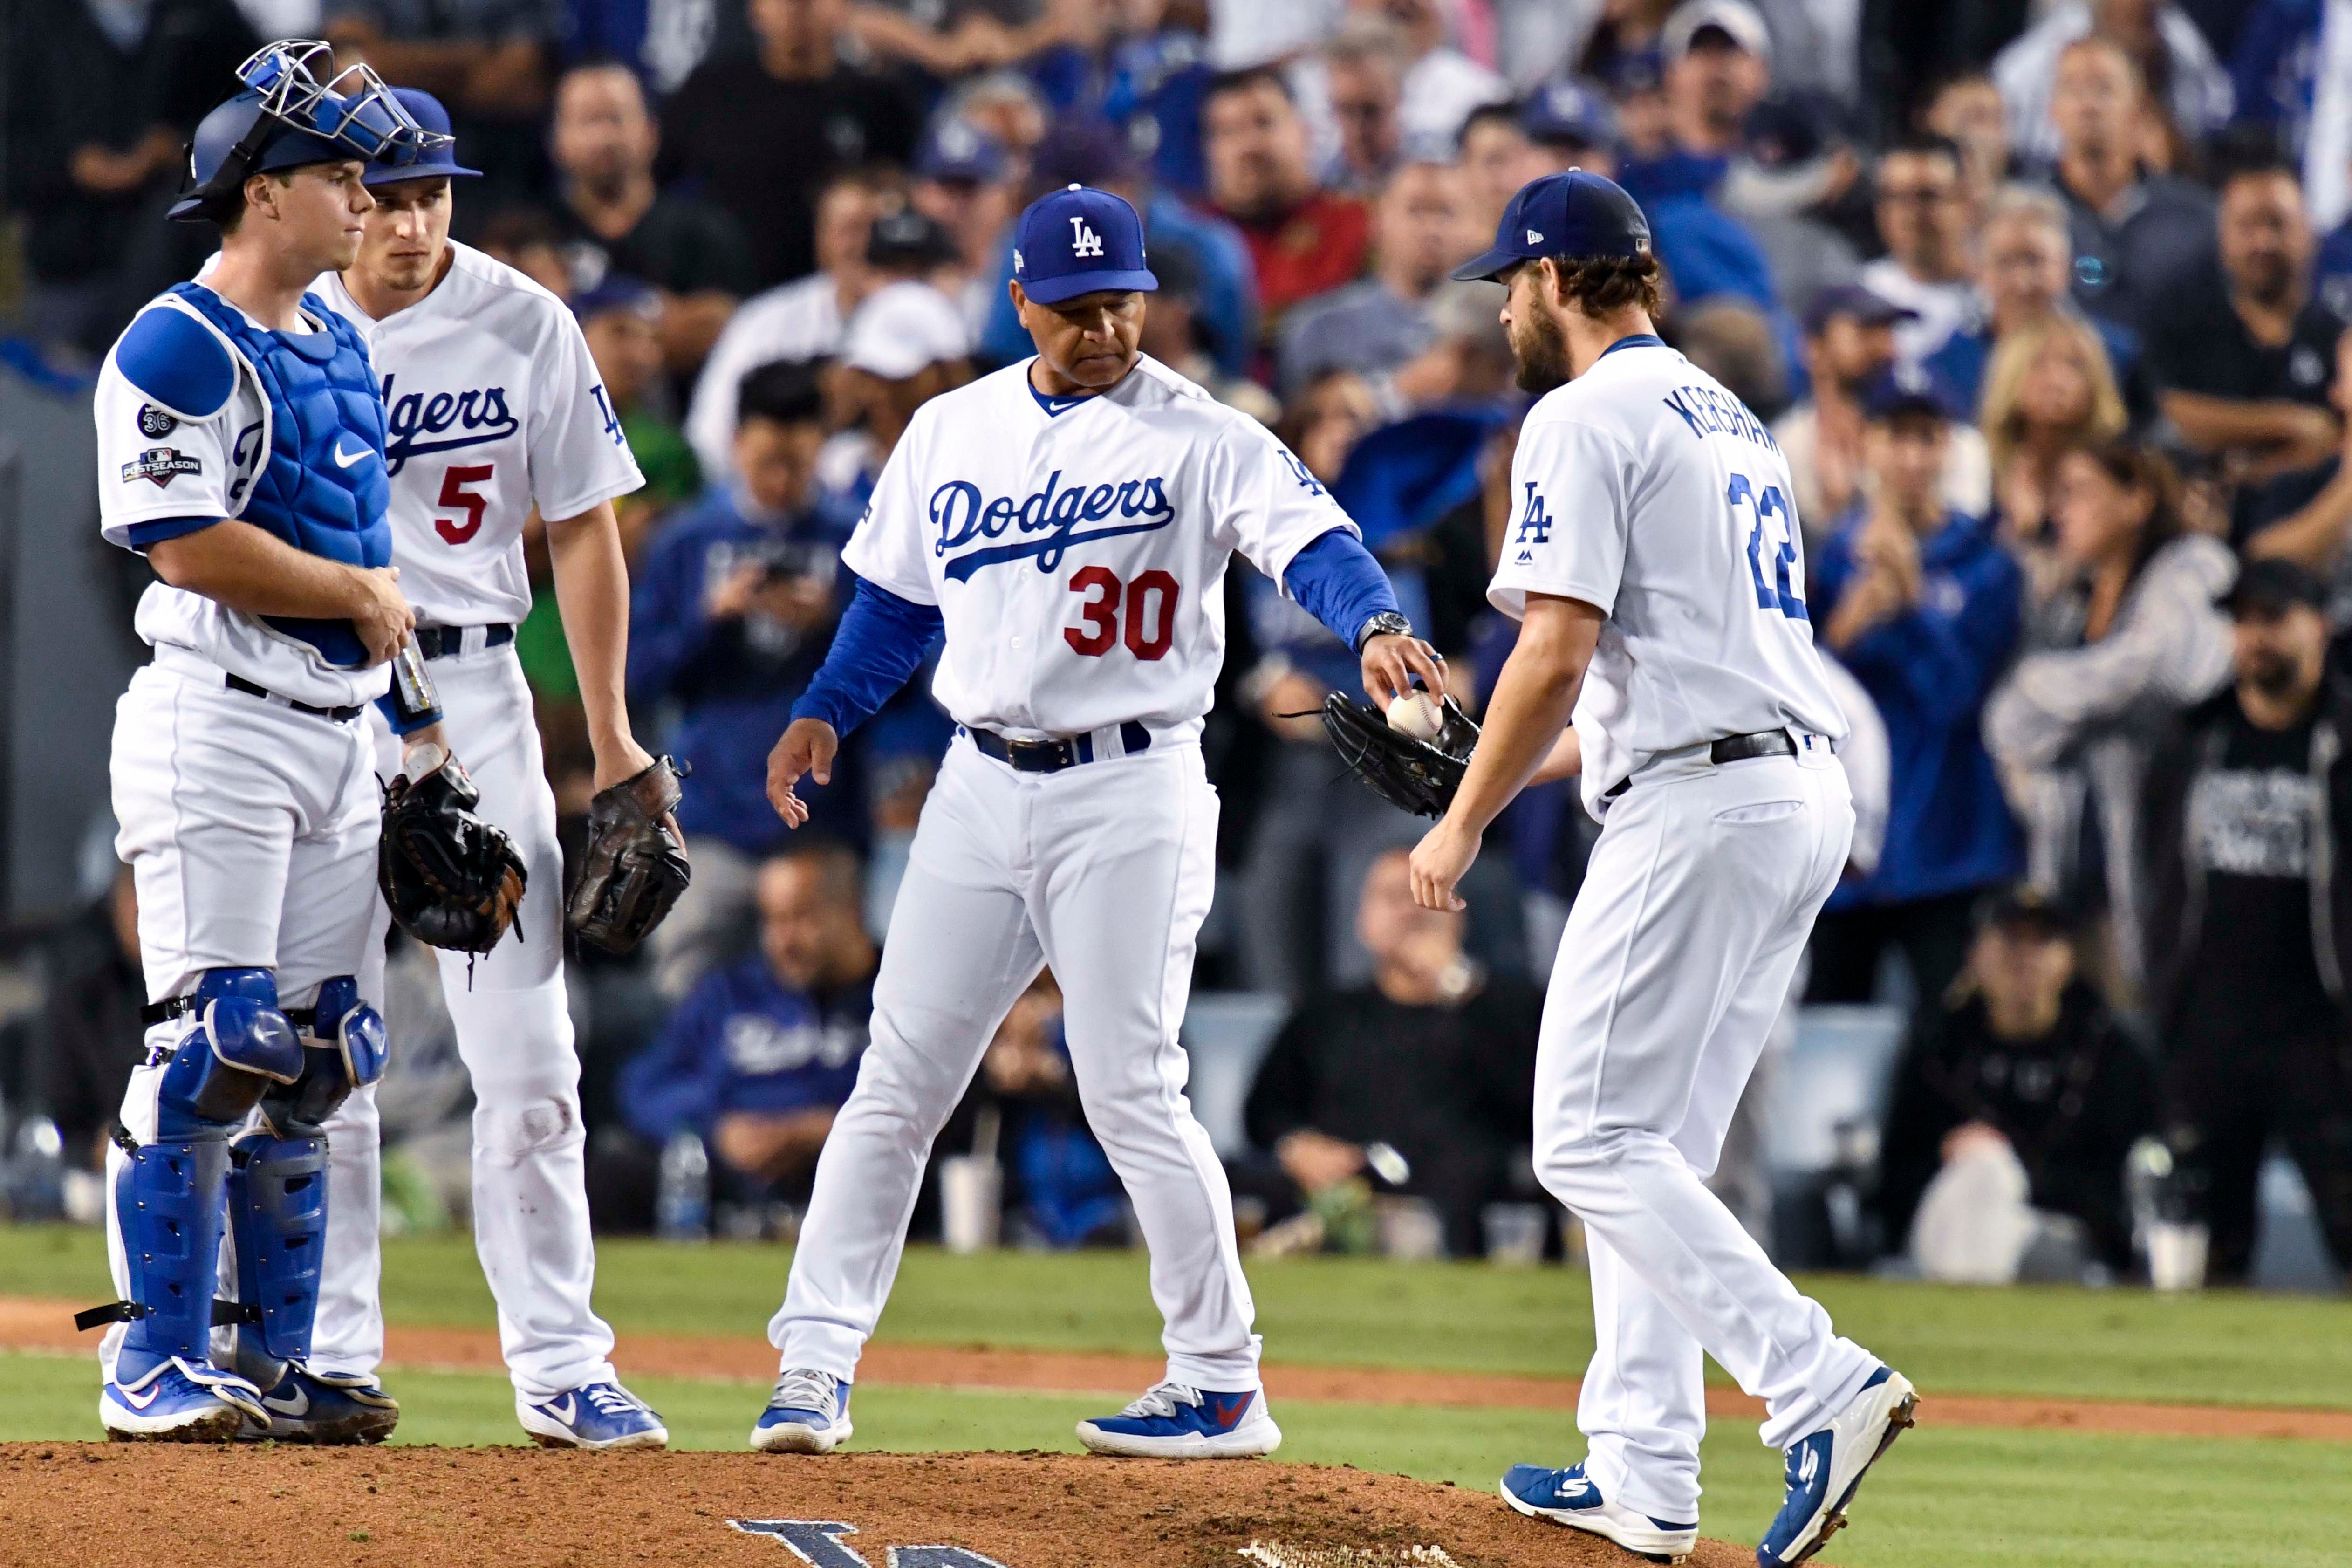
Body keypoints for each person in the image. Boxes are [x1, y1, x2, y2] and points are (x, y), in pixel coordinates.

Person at [754, 184, 1447, 1460]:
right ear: (1021, 303)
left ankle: (1221, 1378)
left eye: (1122, 300)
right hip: (977, 782)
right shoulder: (950, 430)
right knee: (898, 1080)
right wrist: (825, 714)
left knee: (1129, 1079)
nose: (1105, 327)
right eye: (1075, 308)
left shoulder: (1203, 431)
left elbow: (1314, 538)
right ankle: (813, 1365)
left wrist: (1378, 622)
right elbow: (896, 605)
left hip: (1132, 783)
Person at [1415, 169, 1913, 1565]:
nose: (1506, 307)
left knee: (1580, 1137)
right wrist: (1530, 759)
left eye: (1512, 282)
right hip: (1777, 785)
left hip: (1702, 806)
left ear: (1559, 280)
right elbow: (1669, 664)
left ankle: (1813, 1375)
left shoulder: (1577, 412)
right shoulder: (1726, 411)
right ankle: (1640, 1467)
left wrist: (1462, 811)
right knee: (1654, 1146)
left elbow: (1556, 648)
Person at [302, 88, 674, 1451]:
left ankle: (563, 1360)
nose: (408, 223)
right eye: (384, 196)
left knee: (529, 1046)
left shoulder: (525, 318)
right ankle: (327, 1352)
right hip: (321, 688)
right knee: (320, 1043)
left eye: (430, 195)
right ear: (332, 194)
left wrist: (615, 731)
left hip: (477, 688)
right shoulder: (281, 318)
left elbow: (580, 530)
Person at [86, 45, 428, 1443]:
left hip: (340, 729)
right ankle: (153, 1361)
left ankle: (275, 1360)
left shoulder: (339, 335)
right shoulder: (176, 340)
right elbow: (180, 540)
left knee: (320, 1048)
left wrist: (414, 734)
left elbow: (371, 549)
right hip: (217, 719)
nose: (365, 198)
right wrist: (352, 596)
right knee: (210, 1040)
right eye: (341, 176)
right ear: (263, 190)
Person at [2138, 558, 2352, 1285]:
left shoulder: (2344, 742)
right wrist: (2165, 992)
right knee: (2204, 1249)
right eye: (2243, 620)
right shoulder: (2194, 738)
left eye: (2274, 618)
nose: (2255, 636)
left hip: (2324, 1031)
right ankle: (2185, 1399)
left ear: (2318, 625)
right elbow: (2156, 875)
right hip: (2210, 1028)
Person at [1983, 440, 2234, 997]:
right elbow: (2007, 723)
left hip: (2172, 872)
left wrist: (2056, 694)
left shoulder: (2192, 570)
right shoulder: (2067, 605)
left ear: (2135, 499)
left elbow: (2169, 669)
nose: (2058, 512)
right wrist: (2094, 690)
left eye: (2075, 492)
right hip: (2070, 875)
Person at [632, 361, 850, 1000]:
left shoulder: (856, 537)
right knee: (687, 986)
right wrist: (712, 619)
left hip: (825, 822)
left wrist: (833, 628)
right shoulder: (688, 541)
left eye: (797, 463)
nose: (782, 480)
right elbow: (639, 675)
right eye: (767, 463)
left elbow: (908, 675)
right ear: (735, 446)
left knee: (842, 998)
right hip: (716, 818)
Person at [1808, 376, 2024, 1008]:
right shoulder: (1827, 560)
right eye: (1894, 437)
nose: (1910, 458)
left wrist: (1912, 603)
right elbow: (1803, 695)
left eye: (1926, 439)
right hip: (1845, 850)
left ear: (1948, 449)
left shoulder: (1987, 563)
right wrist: (1845, 629)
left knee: (1949, 1040)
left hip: (1951, 845)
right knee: (1829, 1043)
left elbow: (1960, 697)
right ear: (1868, 445)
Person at [1240, 847, 1541, 1258]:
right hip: (1343, 1193)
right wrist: (1299, 1146)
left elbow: (1534, 1107)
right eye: (1392, 897)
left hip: (1461, 1207)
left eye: (1428, 894)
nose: (1410, 913)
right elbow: (1264, 1112)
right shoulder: (1324, 1015)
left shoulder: (1511, 1008)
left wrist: (1456, 988)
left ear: (1460, 914)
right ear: (1364, 921)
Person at [1878, 889, 2156, 1280]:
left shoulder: (2109, 1053)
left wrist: (2016, 1175)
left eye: (2041, 942)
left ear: (2069, 959)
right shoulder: (1938, 1046)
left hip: (2060, 1231)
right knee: (1979, 1177)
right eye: (2009, 940)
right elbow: (1892, 1179)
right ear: (1976, 953)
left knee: (1994, 1180)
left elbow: (2124, 1181)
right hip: (1949, 1219)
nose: (2024, 958)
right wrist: (1950, 1156)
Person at [619, 844, 875, 1204]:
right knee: (612, 1176)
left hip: (861, 1177)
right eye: (772, 920)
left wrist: (829, 1128)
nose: (784, 940)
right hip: (732, 1180)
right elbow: (646, 1086)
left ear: (851, 910)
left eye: (802, 917)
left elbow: (939, 1099)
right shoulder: (729, 993)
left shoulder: (894, 998)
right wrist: (719, 1128)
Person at [1, 0, 258, 352]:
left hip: (183, 266)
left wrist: (185, 145)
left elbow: (257, 103)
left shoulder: (205, 16)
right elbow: (13, 146)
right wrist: (71, 166)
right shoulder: (32, 19)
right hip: (66, 263)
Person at [659, 0, 922, 287]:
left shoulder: (881, 101)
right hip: (727, 299)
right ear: (755, 10)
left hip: (844, 298)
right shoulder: (710, 92)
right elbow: (650, 186)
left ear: (843, 8)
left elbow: (911, 200)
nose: (798, 8)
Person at [2147, 157, 2343, 507]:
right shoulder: (2183, 322)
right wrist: (2287, 422)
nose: (2263, 242)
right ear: (2223, 237)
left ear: (2309, 233)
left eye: (2278, 224)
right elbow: (2172, 411)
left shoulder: (2337, 336)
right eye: (2248, 226)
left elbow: (2337, 439)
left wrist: (2259, 468)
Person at [545, 60, 756, 376]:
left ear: (651, 133)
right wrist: (659, 320)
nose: (604, 137)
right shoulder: (537, 233)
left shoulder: (706, 232)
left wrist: (588, 324)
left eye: (616, 119)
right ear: (557, 140)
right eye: (588, 121)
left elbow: (730, 331)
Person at [684, 168, 892, 485]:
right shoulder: (764, 323)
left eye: (878, 229)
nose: (865, 245)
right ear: (822, 238)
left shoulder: (934, 319)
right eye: (851, 230)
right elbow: (709, 441)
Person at [1922, 184, 2145, 425]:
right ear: (1978, 271)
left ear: (2064, 265)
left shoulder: (2115, 356)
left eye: (2035, 261)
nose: (2022, 282)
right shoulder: (1947, 365)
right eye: (2005, 263)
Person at [2039, 35, 2217, 336]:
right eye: (2073, 89)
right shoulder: (2025, 212)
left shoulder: (2197, 220)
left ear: (2138, 110)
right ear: (2053, 110)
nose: (2088, 105)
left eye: (2103, 88)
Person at [1274, 160, 1475, 402]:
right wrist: (1400, 390)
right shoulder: (1320, 329)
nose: (1431, 229)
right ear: (1379, 222)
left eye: (1446, 212)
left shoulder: (1497, 327)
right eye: (1416, 211)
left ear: (1474, 228)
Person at [1202, 66, 1373, 343]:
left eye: (1264, 123)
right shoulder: (1190, 244)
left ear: (1305, 132)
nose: (1249, 145)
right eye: (1228, 132)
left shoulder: (1356, 223)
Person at [1992, 0, 2232, 170]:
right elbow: (2004, 89)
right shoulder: (2052, 44)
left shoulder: (2179, 37)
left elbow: (2218, 113)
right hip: (2045, 168)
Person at [1858, 133, 1976, 371]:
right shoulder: (1859, 300)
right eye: (1895, 197)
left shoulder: (1999, 296)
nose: (1911, 213)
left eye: (1927, 196)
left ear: (1966, 203)